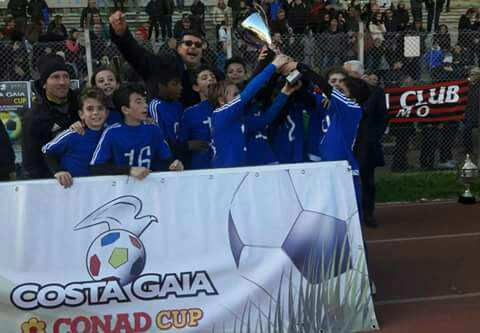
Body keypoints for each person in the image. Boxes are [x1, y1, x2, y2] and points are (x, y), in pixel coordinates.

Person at [109, 11, 210, 108]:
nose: (193, 47)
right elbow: (137, 55)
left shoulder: (211, 73)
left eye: (198, 45)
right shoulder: (164, 64)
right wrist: (122, 35)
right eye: (188, 43)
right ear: (178, 48)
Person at [209, 54, 292, 168]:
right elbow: (248, 92)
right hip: (226, 173)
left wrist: (285, 92)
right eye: (235, 95)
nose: (239, 97)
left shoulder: (237, 120)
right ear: (221, 101)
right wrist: (273, 65)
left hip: (240, 171)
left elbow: (265, 119)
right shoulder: (220, 115)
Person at [90, 83, 183, 180]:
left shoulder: (153, 129)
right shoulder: (111, 132)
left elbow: (167, 159)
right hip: (120, 190)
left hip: (148, 187)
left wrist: (176, 164)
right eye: (139, 102)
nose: (145, 105)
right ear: (125, 110)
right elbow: (96, 167)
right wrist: (129, 170)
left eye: (145, 101)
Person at [22, 55, 79, 179]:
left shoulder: (80, 104)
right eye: (55, 77)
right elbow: (31, 161)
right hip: (52, 179)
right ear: (44, 84)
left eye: (66, 76)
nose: (62, 82)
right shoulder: (34, 116)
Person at [42, 88, 108, 188]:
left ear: (106, 113)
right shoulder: (73, 133)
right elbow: (46, 151)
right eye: (90, 109)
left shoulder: (111, 134)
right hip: (73, 190)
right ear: (81, 114)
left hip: (103, 190)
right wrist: (58, 171)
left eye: (100, 108)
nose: (95, 112)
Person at [178, 66, 217, 169]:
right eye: (204, 78)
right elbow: (182, 143)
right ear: (196, 87)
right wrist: (193, 145)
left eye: (212, 77)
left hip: (226, 167)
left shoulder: (228, 107)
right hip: (201, 169)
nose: (210, 79)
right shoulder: (189, 113)